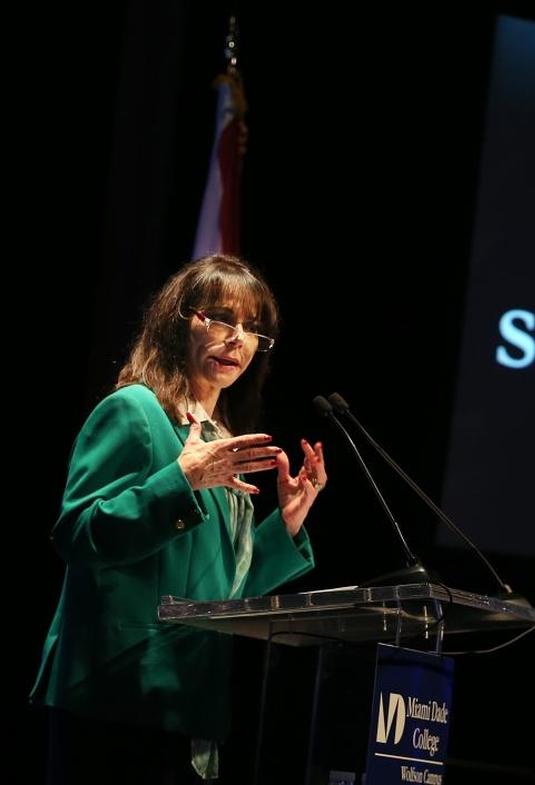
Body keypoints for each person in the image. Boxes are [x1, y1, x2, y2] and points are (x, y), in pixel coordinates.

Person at [30, 254, 328, 783]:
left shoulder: (219, 440)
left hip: (186, 702)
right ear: (178, 320)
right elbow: (78, 534)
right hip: (114, 696)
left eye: (252, 328)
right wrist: (180, 481)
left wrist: (282, 524)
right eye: (220, 318)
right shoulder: (136, 411)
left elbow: (221, 597)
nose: (237, 337)